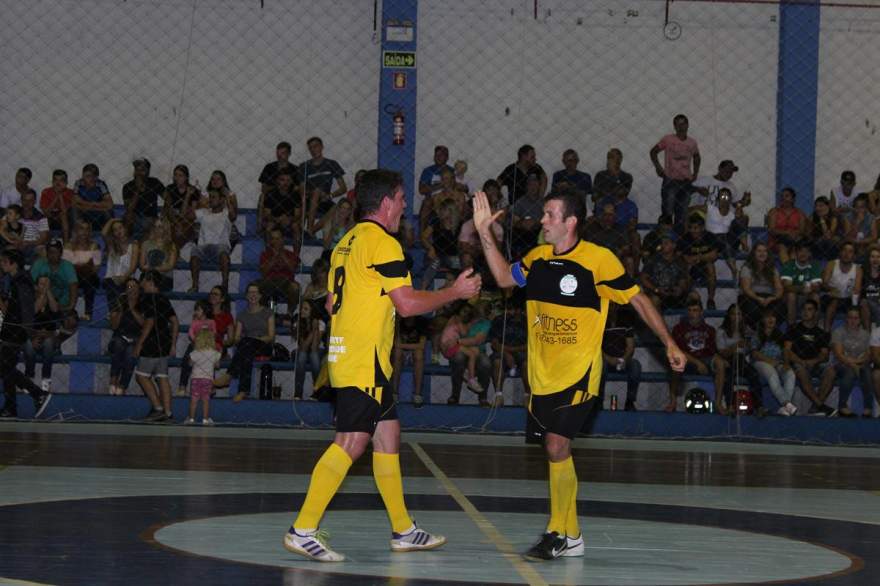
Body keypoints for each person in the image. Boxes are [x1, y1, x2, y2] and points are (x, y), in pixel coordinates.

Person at [471, 187, 685, 561]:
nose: (542, 221)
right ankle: (572, 536)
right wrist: (484, 232)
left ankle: (556, 531)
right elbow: (505, 279)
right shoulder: (537, 258)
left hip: (579, 374)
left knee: (556, 444)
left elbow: (637, 298)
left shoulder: (598, 260)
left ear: (570, 221)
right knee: (557, 452)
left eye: (550, 215)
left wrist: (668, 341)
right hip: (541, 377)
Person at [284, 169, 481, 562]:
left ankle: (403, 529)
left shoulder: (347, 241)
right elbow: (406, 305)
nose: (406, 205)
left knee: (388, 436)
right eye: (402, 198)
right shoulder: (383, 243)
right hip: (364, 360)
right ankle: (302, 528)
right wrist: (454, 292)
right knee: (352, 442)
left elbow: (329, 302)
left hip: (349, 354)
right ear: (387, 202)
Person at [0, 249, 52, 419]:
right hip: (12, 330)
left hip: (15, 332)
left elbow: (27, 311)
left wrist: (30, 334)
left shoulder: (21, 282)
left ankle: (37, 393)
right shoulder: (17, 280)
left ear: (13, 263)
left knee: (5, 368)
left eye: (4, 261)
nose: (2, 264)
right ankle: (11, 408)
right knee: (6, 369)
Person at [215, 283, 275, 402]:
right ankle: (242, 391)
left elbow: (271, 336)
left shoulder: (268, 312)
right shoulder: (242, 315)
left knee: (247, 344)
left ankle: (229, 376)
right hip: (248, 347)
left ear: (260, 295)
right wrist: (241, 340)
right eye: (250, 292)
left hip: (264, 345)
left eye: (256, 292)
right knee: (246, 352)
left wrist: (254, 339)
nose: (253, 295)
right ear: (246, 296)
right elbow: (237, 338)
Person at [133, 271, 179, 422]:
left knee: (141, 376)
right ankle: (168, 413)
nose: (141, 284)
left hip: (151, 342)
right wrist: (172, 344)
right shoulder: (163, 298)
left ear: (148, 281)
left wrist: (139, 343)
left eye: (142, 280)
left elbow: (149, 321)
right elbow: (175, 321)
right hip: (164, 342)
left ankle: (158, 408)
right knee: (162, 377)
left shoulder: (147, 298)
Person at [818, 307, 874, 418]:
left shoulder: (866, 334)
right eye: (850, 317)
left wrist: (857, 363)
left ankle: (868, 408)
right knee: (849, 372)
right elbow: (839, 355)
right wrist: (854, 365)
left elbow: (868, 355)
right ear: (846, 319)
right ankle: (842, 407)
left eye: (856, 318)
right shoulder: (838, 332)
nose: (853, 320)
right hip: (839, 364)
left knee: (867, 372)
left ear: (860, 320)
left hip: (859, 364)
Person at [649, 114, 701, 234]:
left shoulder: (692, 142)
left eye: (683, 123)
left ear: (688, 125)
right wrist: (658, 168)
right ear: (674, 126)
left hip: (686, 182)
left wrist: (695, 173)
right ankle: (664, 242)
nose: (681, 126)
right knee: (667, 213)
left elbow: (697, 157)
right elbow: (653, 152)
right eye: (678, 124)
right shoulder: (668, 139)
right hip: (670, 181)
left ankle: (678, 245)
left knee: (682, 216)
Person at [784, 299, 834, 416]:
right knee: (801, 371)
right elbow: (787, 351)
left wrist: (814, 361)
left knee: (831, 371)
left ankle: (815, 407)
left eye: (809, 309)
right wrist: (801, 361)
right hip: (798, 362)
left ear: (816, 313)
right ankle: (820, 405)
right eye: (804, 309)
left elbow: (825, 355)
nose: (806, 312)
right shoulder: (793, 329)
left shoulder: (821, 333)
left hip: (815, 364)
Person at [712, 304, 762, 416]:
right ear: (729, 316)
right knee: (729, 377)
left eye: (738, 314)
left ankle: (759, 407)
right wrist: (736, 346)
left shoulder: (746, 330)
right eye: (733, 314)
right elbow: (722, 352)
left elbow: (754, 346)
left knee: (754, 375)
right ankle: (729, 406)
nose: (736, 317)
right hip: (728, 360)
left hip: (742, 360)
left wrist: (750, 344)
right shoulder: (722, 331)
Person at [669, 299, 716, 412]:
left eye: (695, 310)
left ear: (701, 312)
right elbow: (677, 351)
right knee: (676, 363)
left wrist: (705, 362)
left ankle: (718, 403)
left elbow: (712, 352)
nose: (692, 313)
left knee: (720, 363)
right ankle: (673, 401)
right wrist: (697, 362)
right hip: (687, 361)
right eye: (689, 310)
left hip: (705, 360)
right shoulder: (678, 329)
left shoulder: (710, 330)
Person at [751, 311, 798, 416]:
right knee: (772, 373)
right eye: (767, 317)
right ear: (763, 320)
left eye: (773, 316)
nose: (771, 319)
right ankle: (787, 403)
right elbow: (754, 353)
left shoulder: (780, 335)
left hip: (778, 362)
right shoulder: (757, 334)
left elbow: (786, 351)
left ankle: (784, 408)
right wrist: (770, 361)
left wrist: (786, 363)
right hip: (761, 362)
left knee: (790, 374)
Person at [189, 188, 235, 292]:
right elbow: (189, 216)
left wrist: (228, 201)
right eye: (210, 197)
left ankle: (224, 285)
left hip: (220, 247)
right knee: (194, 251)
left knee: (224, 253)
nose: (210, 199)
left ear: (221, 200)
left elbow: (233, 216)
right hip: (204, 247)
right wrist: (200, 203)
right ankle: (195, 285)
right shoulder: (204, 212)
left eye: (214, 197)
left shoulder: (226, 213)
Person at [30, 239, 78, 337]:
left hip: (63, 303)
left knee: (71, 321)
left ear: (61, 253)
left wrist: (71, 306)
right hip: (43, 302)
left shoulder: (67, 266)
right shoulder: (39, 264)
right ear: (46, 253)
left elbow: (74, 286)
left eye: (55, 252)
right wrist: (42, 290)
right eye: (50, 252)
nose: (52, 254)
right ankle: (37, 338)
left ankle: (58, 341)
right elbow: (30, 284)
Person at [489, 294, 530, 407]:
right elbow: (494, 343)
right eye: (508, 309)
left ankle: (527, 395)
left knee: (527, 364)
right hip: (502, 351)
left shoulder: (528, 321)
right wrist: (507, 353)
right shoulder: (499, 320)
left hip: (522, 351)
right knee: (497, 362)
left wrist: (513, 350)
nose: (510, 312)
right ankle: (498, 395)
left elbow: (532, 344)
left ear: (520, 310)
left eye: (513, 309)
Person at [599, 303, 641, 411]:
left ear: (617, 306)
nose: (611, 308)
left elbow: (630, 346)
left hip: (623, 358)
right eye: (609, 305)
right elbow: (596, 347)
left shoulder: (625, 322)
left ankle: (630, 402)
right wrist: (609, 359)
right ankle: (598, 401)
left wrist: (623, 359)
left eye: (613, 305)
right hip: (605, 359)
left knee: (635, 365)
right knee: (599, 366)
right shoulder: (600, 322)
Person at [301, 136, 348, 233]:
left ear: (322, 147)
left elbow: (343, 188)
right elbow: (301, 189)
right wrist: (313, 193)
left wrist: (330, 196)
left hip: (324, 199)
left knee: (338, 208)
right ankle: (310, 228)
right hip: (309, 200)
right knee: (316, 191)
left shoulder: (331, 164)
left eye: (316, 146)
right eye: (311, 148)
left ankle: (312, 230)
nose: (313, 150)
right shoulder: (304, 166)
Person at [23, 276, 60, 393]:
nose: (44, 286)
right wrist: (42, 295)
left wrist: (47, 293)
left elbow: (55, 310)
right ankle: (29, 377)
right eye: (41, 284)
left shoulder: (53, 299)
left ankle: (46, 378)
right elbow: (34, 311)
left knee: (49, 344)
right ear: (36, 286)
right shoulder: (29, 299)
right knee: (29, 346)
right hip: (32, 335)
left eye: (47, 284)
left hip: (49, 335)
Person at [108, 278, 143, 396]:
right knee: (118, 344)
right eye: (128, 287)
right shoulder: (119, 302)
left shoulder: (144, 303)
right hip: (119, 336)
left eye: (134, 286)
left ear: (139, 289)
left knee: (130, 353)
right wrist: (122, 308)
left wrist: (132, 308)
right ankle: (113, 380)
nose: (131, 289)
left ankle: (122, 385)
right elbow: (114, 326)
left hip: (136, 339)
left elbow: (143, 323)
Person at [175, 300, 216, 397]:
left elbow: (214, 332)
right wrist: (196, 341)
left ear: (205, 311)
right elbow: (191, 332)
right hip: (195, 345)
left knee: (209, 364)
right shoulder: (195, 322)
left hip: (207, 345)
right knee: (186, 361)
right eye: (195, 310)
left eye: (198, 310)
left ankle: (211, 385)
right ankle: (182, 386)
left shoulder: (211, 322)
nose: (195, 312)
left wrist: (207, 340)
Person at [63, 219, 102, 322]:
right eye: (81, 229)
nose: (84, 232)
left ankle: (88, 313)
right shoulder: (68, 245)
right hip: (72, 276)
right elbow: (66, 266)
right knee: (68, 279)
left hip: (89, 276)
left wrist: (78, 265)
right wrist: (85, 264)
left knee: (90, 280)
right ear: (75, 230)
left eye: (87, 229)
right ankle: (68, 312)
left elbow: (96, 267)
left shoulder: (95, 245)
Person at [738, 242, 784, 330]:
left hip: (769, 297)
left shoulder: (773, 269)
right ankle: (756, 331)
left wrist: (773, 298)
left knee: (781, 308)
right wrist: (758, 298)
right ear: (754, 253)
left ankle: (770, 332)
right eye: (759, 251)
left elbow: (779, 288)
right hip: (751, 296)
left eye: (765, 251)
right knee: (752, 309)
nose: (762, 254)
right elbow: (746, 289)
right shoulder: (747, 268)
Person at [640, 233, 692, 310]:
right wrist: (656, 289)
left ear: (674, 246)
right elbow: (643, 278)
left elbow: (683, 279)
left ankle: (688, 321)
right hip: (658, 293)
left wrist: (680, 288)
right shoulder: (653, 259)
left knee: (694, 296)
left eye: (666, 243)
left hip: (674, 293)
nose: (662, 245)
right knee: (655, 300)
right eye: (662, 243)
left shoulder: (679, 261)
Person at [677, 215, 719, 309]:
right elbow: (680, 255)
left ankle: (710, 299)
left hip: (704, 266)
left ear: (702, 228)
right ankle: (687, 297)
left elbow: (714, 255)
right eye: (690, 228)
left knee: (710, 266)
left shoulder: (710, 236)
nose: (693, 230)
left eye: (696, 228)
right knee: (686, 266)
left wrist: (697, 257)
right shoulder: (685, 238)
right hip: (690, 267)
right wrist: (688, 259)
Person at [781, 241, 823, 326]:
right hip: (791, 299)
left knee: (816, 296)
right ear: (796, 253)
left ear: (810, 254)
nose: (803, 254)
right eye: (800, 251)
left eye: (806, 251)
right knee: (791, 295)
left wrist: (809, 288)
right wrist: (802, 288)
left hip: (808, 296)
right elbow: (787, 287)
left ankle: (813, 327)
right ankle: (791, 327)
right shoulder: (789, 265)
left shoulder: (815, 265)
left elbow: (817, 287)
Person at [184, 329, 221, 426]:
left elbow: (190, 364)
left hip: (196, 378)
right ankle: (205, 419)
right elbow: (217, 366)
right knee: (206, 400)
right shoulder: (214, 353)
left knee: (194, 399)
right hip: (208, 379)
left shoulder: (195, 353)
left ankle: (191, 419)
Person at [102, 219, 140, 311]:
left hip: (127, 279)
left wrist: (124, 277)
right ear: (113, 233)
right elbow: (103, 233)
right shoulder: (111, 245)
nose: (118, 231)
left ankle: (120, 311)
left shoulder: (134, 246)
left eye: (120, 228)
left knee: (130, 286)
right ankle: (114, 311)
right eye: (115, 230)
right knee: (112, 283)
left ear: (125, 229)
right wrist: (112, 220)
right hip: (111, 279)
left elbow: (133, 267)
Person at [258, 228, 301, 309]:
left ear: (282, 239)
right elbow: (263, 272)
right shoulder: (265, 254)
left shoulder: (290, 254)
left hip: (286, 282)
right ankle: (265, 315)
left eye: (277, 239)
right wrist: (274, 256)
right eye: (273, 239)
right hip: (270, 282)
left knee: (295, 288)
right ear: (270, 241)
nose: (275, 241)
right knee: (258, 288)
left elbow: (293, 269)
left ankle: (289, 315)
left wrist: (282, 255)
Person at [821, 241, 860, 331]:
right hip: (831, 296)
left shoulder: (858, 269)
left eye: (850, 251)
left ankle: (855, 334)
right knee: (834, 302)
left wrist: (854, 295)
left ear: (854, 255)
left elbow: (857, 289)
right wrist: (831, 289)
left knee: (860, 305)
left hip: (847, 298)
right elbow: (824, 284)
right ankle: (826, 332)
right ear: (840, 252)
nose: (846, 254)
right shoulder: (832, 264)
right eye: (844, 250)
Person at [122, 158, 164, 240]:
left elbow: (167, 197)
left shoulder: (154, 182)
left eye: (142, 170)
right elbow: (129, 208)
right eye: (137, 170)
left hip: (151, 218)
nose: (139, 173)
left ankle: (143, 241)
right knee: (128, 216)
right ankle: (127, 241)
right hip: (135, 218)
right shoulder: (128, 186)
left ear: (148, 171)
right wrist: (137, 189)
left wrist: (164, 211)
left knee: (154, 223)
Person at [392, 315, 429, 407]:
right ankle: (394, 393)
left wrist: (401, 346)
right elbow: (396, 343)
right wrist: (397, 322)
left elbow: (422, 345)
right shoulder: (397, 321)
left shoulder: (422, 322)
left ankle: (417, 395)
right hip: (402, 352)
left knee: (419, 354)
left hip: (413, 351)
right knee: (397, 353)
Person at [162, 164, 200, 249]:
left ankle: (175, 252)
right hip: (172, 219)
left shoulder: (193, 191)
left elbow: (192, 213)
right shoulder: (170, 188)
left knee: (186, 228)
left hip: (187, 220)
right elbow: (168, 210)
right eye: (175, 175)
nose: (177, 178)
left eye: (180, 175)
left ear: (186, 177)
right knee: (169, 228)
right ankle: (174, 252)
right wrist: (176, 222)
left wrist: (187, 195)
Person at [767, 187, 807, 263]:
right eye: (782, 196)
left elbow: (802, 230)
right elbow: (771, 230)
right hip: (777, 241)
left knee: (794, 249)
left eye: (787, 196)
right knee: (782, 247)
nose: (783, 198)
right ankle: (788, 271)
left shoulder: (800, 213)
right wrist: (787, 233)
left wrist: (794, 234)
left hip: (794, 240)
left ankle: (792, 272)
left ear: (793, 199)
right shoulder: (774, 212)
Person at [294, 299, 323, 400]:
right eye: (302, 308)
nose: (302, 310)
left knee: (313, 356)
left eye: (306, 309)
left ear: (312, 311)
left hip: (319, 350)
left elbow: (314, 347)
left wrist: (315, 329)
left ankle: (317, 392)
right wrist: (313, 329)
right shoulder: (299, 323)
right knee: (302, 355)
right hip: (305, 351)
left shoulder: (321, 323)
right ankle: (298, 394)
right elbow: (303, 346)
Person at [139, 219, 178, 292]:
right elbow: (142, 265)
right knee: (146, 279)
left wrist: (152, 268)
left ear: (165, 229)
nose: (157, 229)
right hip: (148, 275)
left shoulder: (171, 245)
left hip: (164, 277)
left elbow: (170, 265)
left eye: (160, 227)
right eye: (155, 226)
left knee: (152, 281)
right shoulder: (146, 244)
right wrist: (152, 269)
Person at [72, 164, 113, 231]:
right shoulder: (78, 183)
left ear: (95, 177)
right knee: (74, 210)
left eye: (88, 176)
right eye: (83, 176)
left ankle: (108, 235)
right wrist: (96, 204)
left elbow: (110, 204)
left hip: (98, 213)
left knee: (108, 212)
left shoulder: (100, 184)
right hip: (85, 212)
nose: (84, 179)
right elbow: (74, 202)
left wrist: (85, 204)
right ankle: (77, 234)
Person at [39, 169, 74, 239]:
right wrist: (56, 197)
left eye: (61, 180)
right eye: (55, 180)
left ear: (66, 182)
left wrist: (60, 196)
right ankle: (44, 241)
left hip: (65, 218)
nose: (58, 183)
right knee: (44, 219)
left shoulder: (70, 192)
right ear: (52, 181)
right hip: (50, 216)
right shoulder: (46, 192)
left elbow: (65, 211)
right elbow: (46, 212)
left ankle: (66, 243)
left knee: (63, 216)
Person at [18, 190, 50, 262]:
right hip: (16, 245)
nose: (27, 203)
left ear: (35, 201)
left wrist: (28, 243)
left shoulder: (41, 217)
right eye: (25, 200)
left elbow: (43, 238)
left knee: (43, 251)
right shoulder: (15, 213)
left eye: (30, 200)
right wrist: (17, 242)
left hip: (33, 245)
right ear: (21, 200)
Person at [810, 196, 841, 261]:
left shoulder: (833, 218)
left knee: (829, 242)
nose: (818, 208)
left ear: (828, 206)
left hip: (830, 243)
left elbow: (828, 236)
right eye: (816, 206)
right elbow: (808, 233)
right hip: (817, 243)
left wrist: (822, 220)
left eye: (821, 206)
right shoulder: (813, 217)